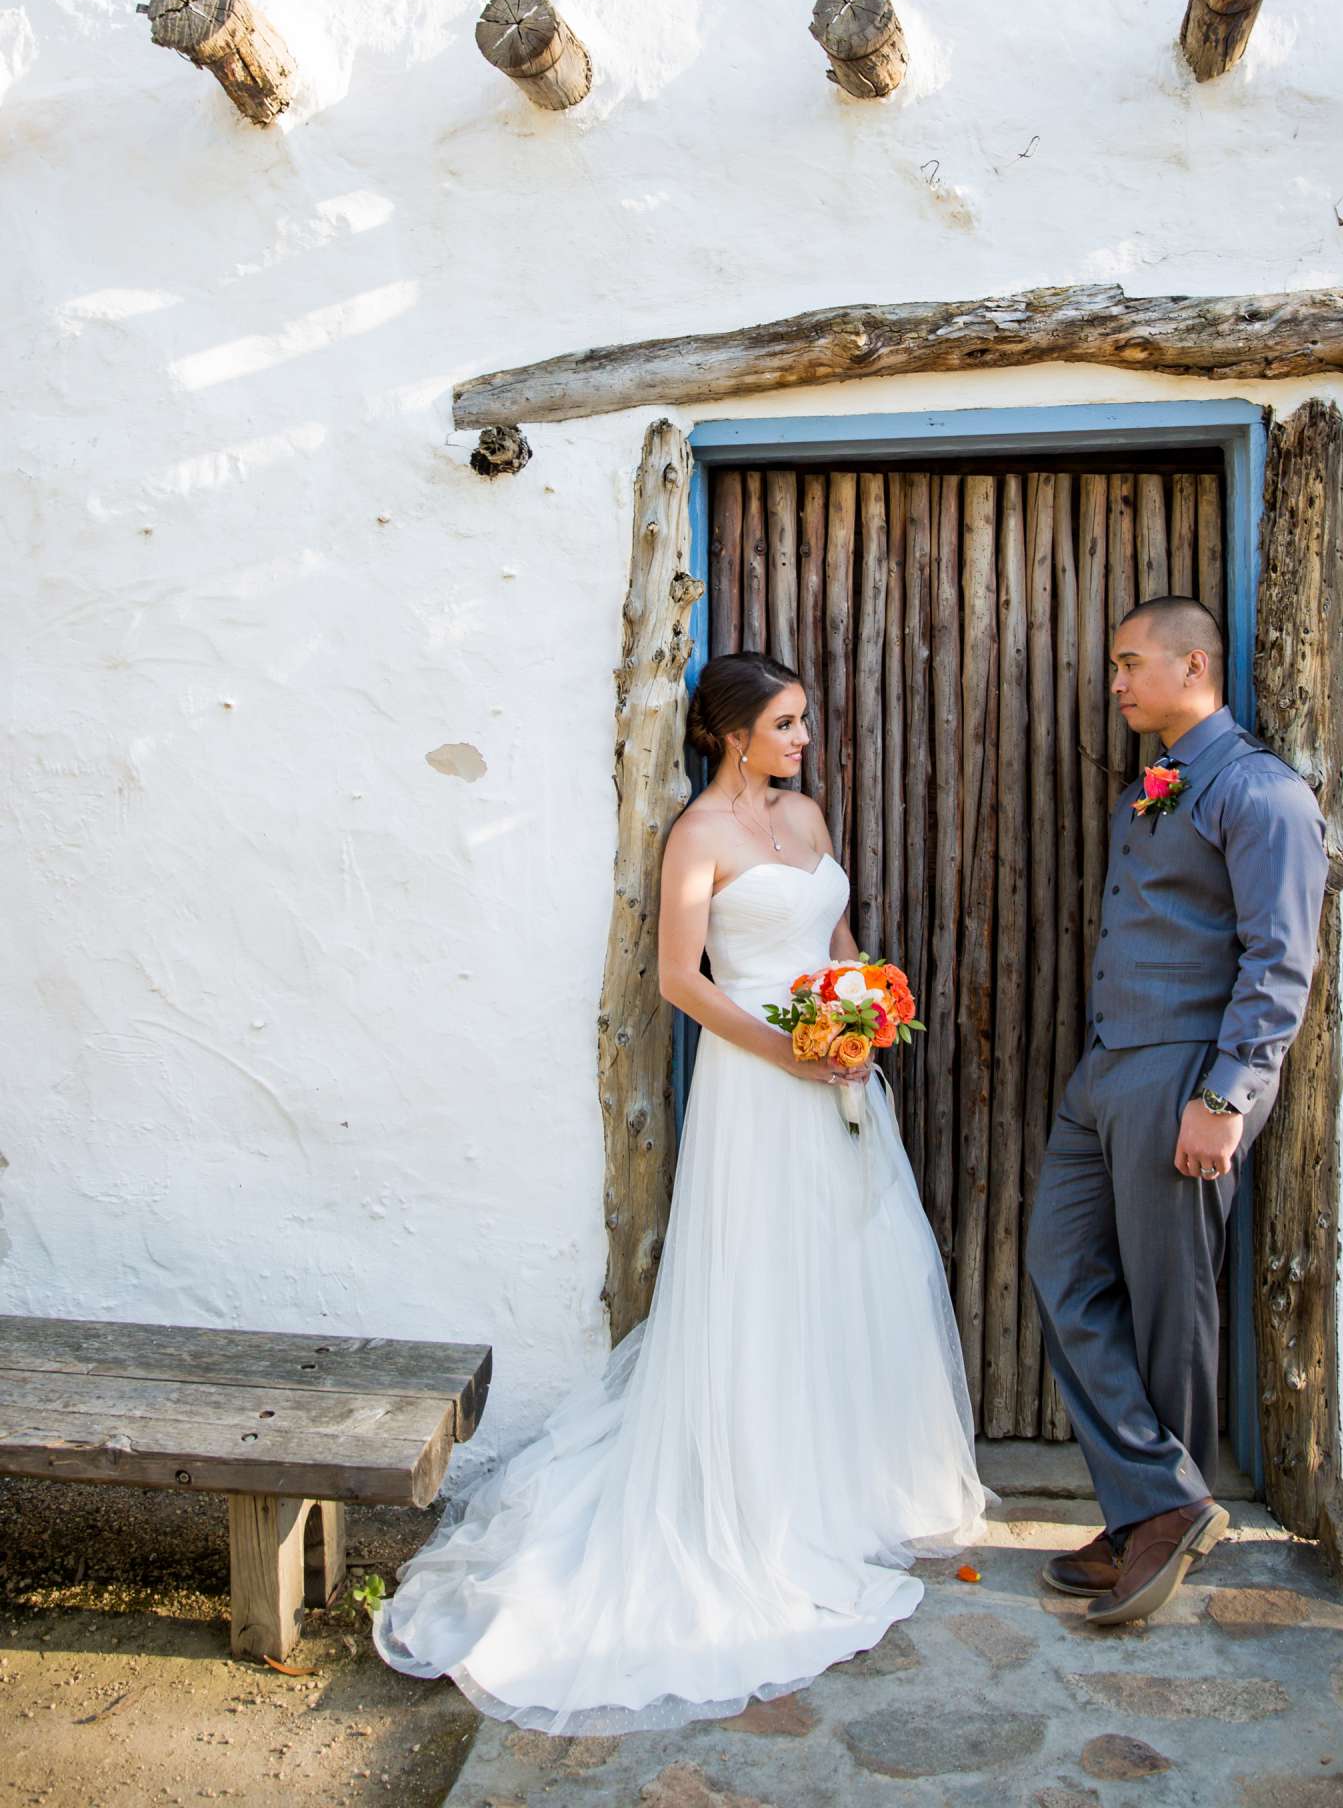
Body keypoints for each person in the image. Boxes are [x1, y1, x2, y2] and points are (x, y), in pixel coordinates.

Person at [373, 649, 990, 1735]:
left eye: (804, 723)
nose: (802, 740)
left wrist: (859, 1009)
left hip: (836, 1073)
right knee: (760, 1277)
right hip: (758, 1087)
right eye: (787, 725)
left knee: (849, 1266)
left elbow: (836, 936)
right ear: (731, 733)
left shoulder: (804, 822)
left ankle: (850, 1478)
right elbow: (680, 980)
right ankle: (754, 1494)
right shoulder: (697, 838)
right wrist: (788, 1051)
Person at [1025, 595, 1329, 1629]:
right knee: (1060, 1270)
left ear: (1191, 666)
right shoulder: (1161, 782)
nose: (1113, 682)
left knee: (1170, 1303)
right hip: (1105, 1069)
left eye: (1127, 663)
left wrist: (1222, 1097)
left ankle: (1152, 1517)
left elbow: (1280, 960)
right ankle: (1161, 1497)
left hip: (1183, 1075)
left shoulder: (1259, 793)